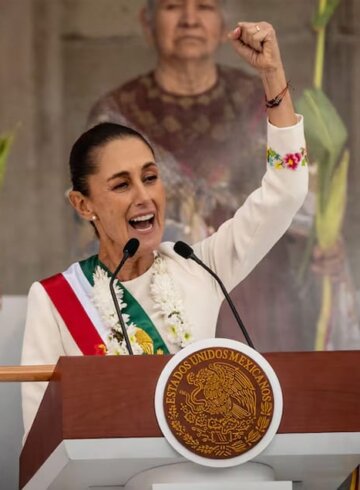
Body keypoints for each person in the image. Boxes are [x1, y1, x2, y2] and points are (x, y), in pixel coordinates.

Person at [22, 21, 308, 438]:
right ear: (83, 205)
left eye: (151, 177)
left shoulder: (201, 267)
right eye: (122, 184)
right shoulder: (54, 300)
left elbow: (286, 191)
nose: (144, 196)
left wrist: (273, 76)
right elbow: (39, 438)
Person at [87, 0, 307, 351]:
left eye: (204, 7)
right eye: (174, 7)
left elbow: (289, 189)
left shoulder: (256, 99)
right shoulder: (118, 112)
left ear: (225, 25)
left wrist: (273, 74)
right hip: (148, 293)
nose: (190, 20)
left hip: (253, 283)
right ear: (148, 22)